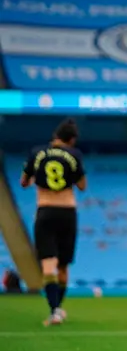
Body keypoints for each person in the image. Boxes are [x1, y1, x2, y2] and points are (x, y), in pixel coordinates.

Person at [21, 118, 86, 326]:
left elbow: (23, 182)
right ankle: (60, 307)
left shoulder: (37, 153)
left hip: (45, 209)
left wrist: (34, 179)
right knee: (64, 266)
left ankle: (54, 310)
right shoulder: (74, 155)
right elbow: (82, 185)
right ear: (72, 139)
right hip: (68, 212)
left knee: (48, 263)